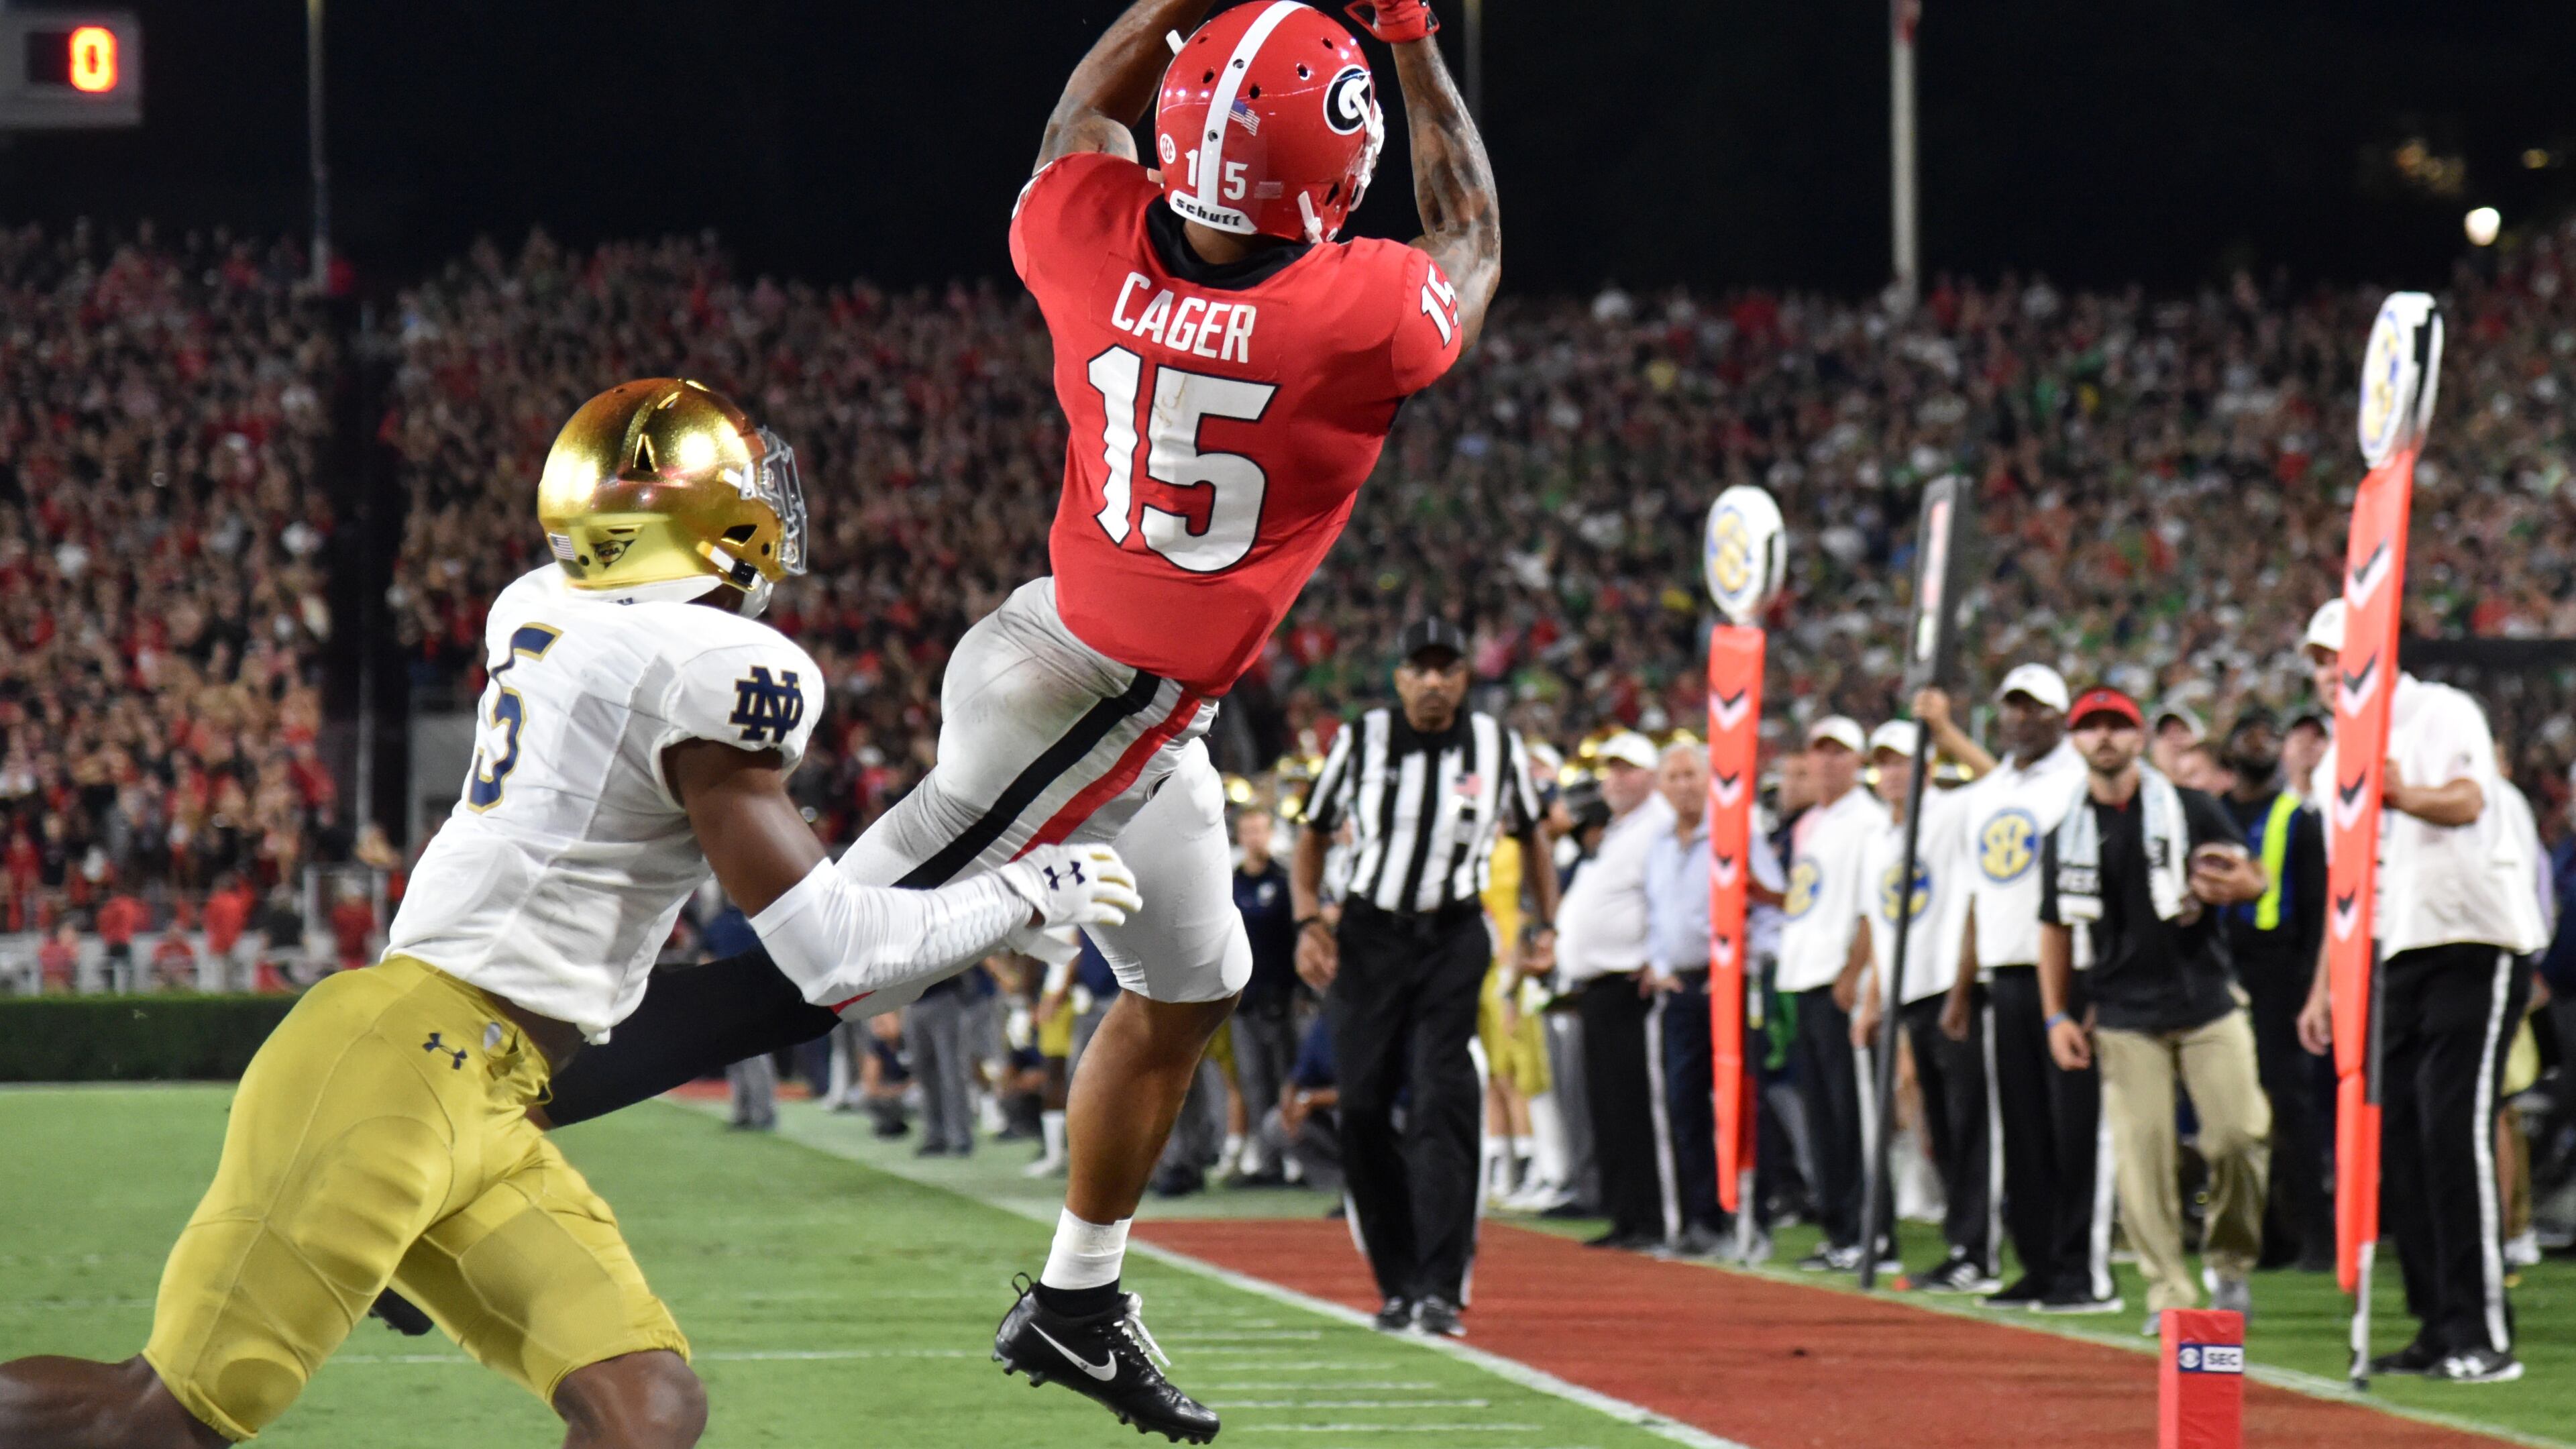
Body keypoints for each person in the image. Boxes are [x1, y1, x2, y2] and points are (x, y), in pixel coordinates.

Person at [463, 4, 1498, 1437]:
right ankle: (466, 1124)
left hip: (1097, 675)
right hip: (1100, 707)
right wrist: (1414, 39)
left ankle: (1077, 1301)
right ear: (1328, 184)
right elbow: (1472, 237)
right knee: (823, 962)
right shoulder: (1351, 311)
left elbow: (1084, 117)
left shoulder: (1083, 235)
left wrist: (1160, 13)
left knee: (1194, 985)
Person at [0, 380, 1142, 1449]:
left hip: (494, 1090)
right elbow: (833, 954)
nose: (767, 514)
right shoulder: (713, 667)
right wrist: (1026, 891)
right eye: (741, 492)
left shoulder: (549, 605)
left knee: (646, 1403)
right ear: (686, 523)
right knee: (158, 1420)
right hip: (401, 1065)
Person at [2296, 600, 2548, 1384]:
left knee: (2453, 1128)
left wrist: (2394, 793)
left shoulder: (2439, 710)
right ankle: (2438, 1327)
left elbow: (2468, 802)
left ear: (2377, 653)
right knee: (2399, 1138)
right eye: (2320, 660)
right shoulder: (2338, 749)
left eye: (2342, 654)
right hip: (2395, 948)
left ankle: (2483, 1335)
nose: (2333, 670)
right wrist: (2324, 987)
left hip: (2474, 938)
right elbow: (2351, 885)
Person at [1291, 617, 1552, 1338]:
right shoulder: (1360, 741)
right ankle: (1397, 1280)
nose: (1434, 682)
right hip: (1371, 935)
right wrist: (1309, 919)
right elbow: (1311, 832)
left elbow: (1534, 837)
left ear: (1466, 677)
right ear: (1400, 678)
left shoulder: (1497, 747)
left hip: (1453, 935)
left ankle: (1441, 1285)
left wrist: (1542, 922)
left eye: (1448, 669)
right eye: (1421, 669)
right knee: (1365, 1106)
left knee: (1444, 1099)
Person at [2038, 687, 2271, 1340]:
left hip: (2206, 1001)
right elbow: (2054, 929)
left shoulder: (2191, 808)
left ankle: (2230, 1265)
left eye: (2117, 726)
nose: (2104, 737)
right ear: (2076, 741)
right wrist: (2057, 1015)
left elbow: (2254, 876)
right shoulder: (2067, 834)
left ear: (2139, 738)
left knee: (2238, 1136)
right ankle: (2169, 1294)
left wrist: (2237, 887)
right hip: (2122, 1014)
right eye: (2092, 727)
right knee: (2143, 1159)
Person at [1955, 663, 2118, 1313]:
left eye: (2035, 708)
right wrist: (1962, 987)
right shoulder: (1987, 790)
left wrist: (2102, 978)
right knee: (2021, 1130)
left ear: (2060, 717)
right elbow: (1976, 893)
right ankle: (2039, 1263)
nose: (2021, 719)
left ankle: (2085, 1270)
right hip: (2006, 969)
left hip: (2072, 969)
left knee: (2077, 1127)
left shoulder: (2080, 783)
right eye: (2012, 708)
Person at [1847, 701, 1996, 1292]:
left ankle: (1978, 1249)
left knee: (1971, 1126)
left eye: (1903, 762)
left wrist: (1947, 732)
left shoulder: (1952, 810)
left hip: (1951, 987)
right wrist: (1873, 1001)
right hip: (1908, 993)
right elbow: (1886, 930)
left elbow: (2000, 783)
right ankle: (1961, 1246)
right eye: (1883, 764)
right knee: (1939, 1128)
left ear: (1928, 767)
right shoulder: (1880, 838)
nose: (1891, 775)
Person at [2211, 710, 2333, 1272]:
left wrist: (2314, 989)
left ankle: (2313, 1235)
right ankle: (2263, 1233)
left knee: (2291, 1107)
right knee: (2235, 1110)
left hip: (2279, 972)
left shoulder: (2298, 817)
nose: (2257, 745)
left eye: (2267, 736)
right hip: (2222, 968)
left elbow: (2316, 913)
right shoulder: (2214, 814)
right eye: (2247, 735)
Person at [1552, 732, 1676, 1252]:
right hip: (1597, 986)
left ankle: (1648, 1216)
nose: (1617, 779)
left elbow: (1666, 898)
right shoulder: (1622, 831)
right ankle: (1625, 1213)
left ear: (1651, 776)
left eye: (1628, 769)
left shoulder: (1659, 827)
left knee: (1634, 1107)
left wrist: (1656, 955)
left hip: (1630, 985)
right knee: (1607, 1106)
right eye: (1612, 770)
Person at [1776, 716, 1889, 1271]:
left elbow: (1873, 907)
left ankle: (1872, 1232)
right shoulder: (1816, 823)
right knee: (1823, 1117)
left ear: (1859, 761)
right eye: (1819, 752)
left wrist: (1855, 974)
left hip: (1839, 983)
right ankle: (1841, 1227)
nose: (1826, 762)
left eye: (1839, 753)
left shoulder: (1867, 821)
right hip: (1806, 979)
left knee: (1852, 1116)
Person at [1644, 740, 1724, 1255]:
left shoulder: (1733, 835)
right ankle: (1698, 1220)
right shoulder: (1660, 844)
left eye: (1692, 775)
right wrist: (1659, 964)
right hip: (1680, 987)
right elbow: (1656, 912)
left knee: (1736, 1105)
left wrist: (1741, 961)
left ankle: (1744, 1219)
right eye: (1673, 777)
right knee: (1683, 1106)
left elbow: (1766, 902)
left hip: (1724, 983)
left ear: (1710, 778)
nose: (1683, 785)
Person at [1229, 809, 1300, 1184]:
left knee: (1287, 1079)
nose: (1253, 837)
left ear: (1271, 833)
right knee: (1254, 1083)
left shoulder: (1286, 880)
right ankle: (1269, 1160)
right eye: (1247, 831)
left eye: (1259, 830)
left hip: (1282, 997)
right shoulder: (1231, 883)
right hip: (1244, 998)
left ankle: (1296, 1159)